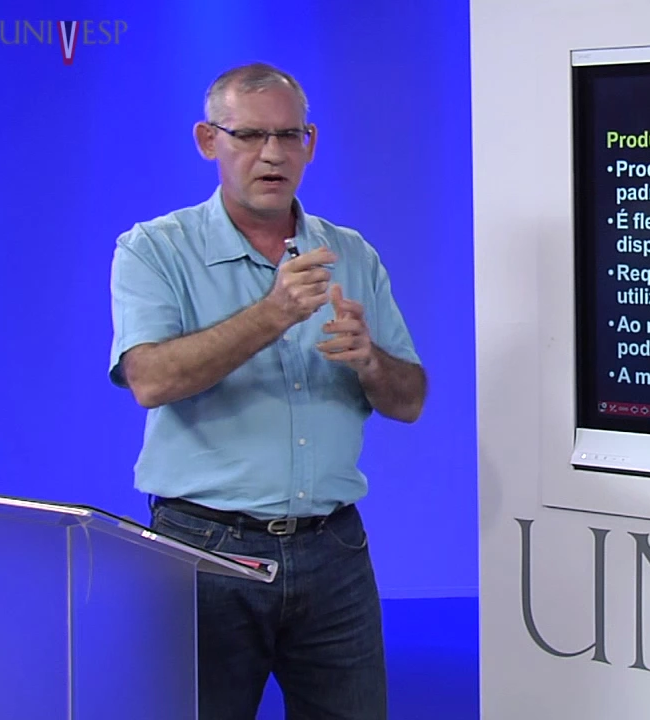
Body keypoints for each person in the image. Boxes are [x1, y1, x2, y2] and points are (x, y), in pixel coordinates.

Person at [108, 62, 425, 720]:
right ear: (208, 140)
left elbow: (410, 399)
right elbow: (151, 380)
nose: (273, 154)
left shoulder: (352, 254)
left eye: (289, 135)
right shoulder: (154, 250)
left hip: (334, 550)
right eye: (250, 135)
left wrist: (371, 360)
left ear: (311, 143)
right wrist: (273, 314)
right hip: (205, 550)